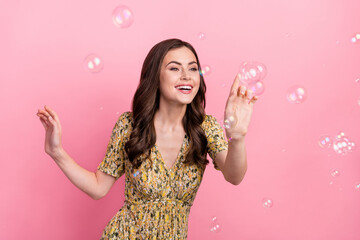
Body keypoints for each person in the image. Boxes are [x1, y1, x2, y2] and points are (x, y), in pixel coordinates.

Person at [36, 38, 258, 239]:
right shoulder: (130, 125)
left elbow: (234, 176)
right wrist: (57, 152)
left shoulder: (205, 127)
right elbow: (98, 187)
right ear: (155, 77)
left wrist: (237, 137)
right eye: (174, 68)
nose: (186, 76)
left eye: (192, 69)